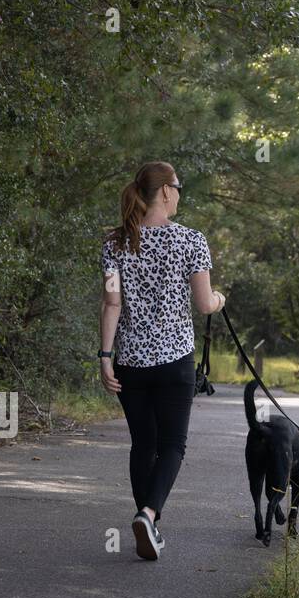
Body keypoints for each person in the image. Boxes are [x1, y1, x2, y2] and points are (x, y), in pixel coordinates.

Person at [98, 161, 225, 561]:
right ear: (166, 191)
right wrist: (220, 300)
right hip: (174, 360)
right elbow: (205, 304)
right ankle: (148, 515)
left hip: (130, 362)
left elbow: (112, 302)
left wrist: (105, 357)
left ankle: (147, 522)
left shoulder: (114, 245)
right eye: (179, 187)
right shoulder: (191, 241)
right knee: (172, 445)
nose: (179, 195)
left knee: (143, 444)